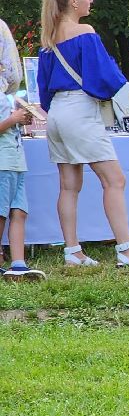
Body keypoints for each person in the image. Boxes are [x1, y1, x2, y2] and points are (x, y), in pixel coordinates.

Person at [36, 0, 129, 268]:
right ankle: (127, 248)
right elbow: (105, 77)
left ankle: (73, 251)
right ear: (73, 0)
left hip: (56, 112)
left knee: (68, 185)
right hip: (80, 112)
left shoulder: (48, 38)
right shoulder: (84, 32)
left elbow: (43, 90)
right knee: (114, 179)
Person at [0, 90, 43, 280]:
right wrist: (12, 119)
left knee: (19, 211)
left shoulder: (6, 94)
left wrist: (20, 119)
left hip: (16, 162)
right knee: (1, 214)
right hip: (2, 162)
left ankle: (19, 264)